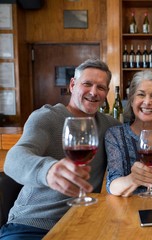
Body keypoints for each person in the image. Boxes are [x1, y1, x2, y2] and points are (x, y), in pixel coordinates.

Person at [0, 59, 121, 239]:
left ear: (107, 93)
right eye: (87, 84)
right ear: (72, 85)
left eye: (101, 87)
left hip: (82, 223)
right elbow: (14, 159)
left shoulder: (109, 125)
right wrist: (47, 170)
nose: (94, 92)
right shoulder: (46, 117)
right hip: (32, 224)